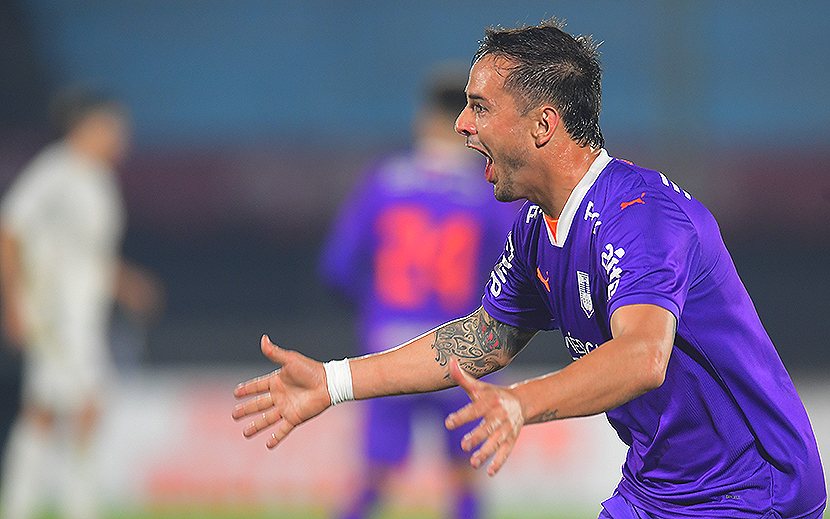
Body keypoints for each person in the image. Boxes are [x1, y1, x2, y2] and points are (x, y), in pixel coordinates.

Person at [233, 20, 826, 519]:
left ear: (542, 126)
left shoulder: (642, 217)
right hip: (656, 488)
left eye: (480, 107)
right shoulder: (535, 229)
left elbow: (642, 356)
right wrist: (335, 381)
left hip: (752, 490)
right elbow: (483, 339)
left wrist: (520, 403)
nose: (462, 126)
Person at [320, 69, 516, 519]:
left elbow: (337, 268)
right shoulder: (488, 189)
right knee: (465, 478)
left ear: (423, 118)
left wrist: (377, 311)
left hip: (391, 344)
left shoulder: (384, 181)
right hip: (462, 348)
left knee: (375, 478)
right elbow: (516, 269)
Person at [0, 88, 162, 519]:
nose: (121, 139)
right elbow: (9, 231)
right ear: (87, 126)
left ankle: (23, 505)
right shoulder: (56, 171)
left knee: (46, 411)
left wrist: (126, 284)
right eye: (114, 129)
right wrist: (13, 303)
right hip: (55, 313)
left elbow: (89, 257)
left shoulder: (99, 180)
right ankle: (72, 506)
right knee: (85, 405)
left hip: (83, 314)